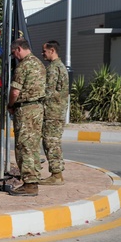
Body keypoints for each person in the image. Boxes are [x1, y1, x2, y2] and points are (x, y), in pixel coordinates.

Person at [8, 37, 47, 196]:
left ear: (18, 49)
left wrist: (10, 105)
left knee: (24, 146)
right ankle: (34, 178)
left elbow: (15, 91)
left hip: (25, 110)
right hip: (38, 109)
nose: (14, 56)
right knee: (33, 145)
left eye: (14, 53)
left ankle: (29, 184)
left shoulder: (22, 67)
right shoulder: (40, 64)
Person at [41, 40, 69, 185]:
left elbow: (48, 91)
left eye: (44, 51)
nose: (42, 54)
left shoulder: (53, 68)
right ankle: (57, 173)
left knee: (50, 142)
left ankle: (56, 175)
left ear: (52, 50)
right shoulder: (60, 66)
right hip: (58, 111)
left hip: (52, 112)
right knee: (54, 142)